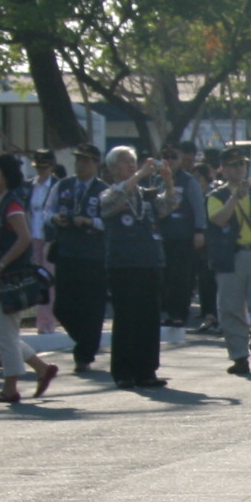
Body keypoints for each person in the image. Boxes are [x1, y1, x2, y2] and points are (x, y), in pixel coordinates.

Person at [0, 153, 56, 405]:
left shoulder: (12, 204)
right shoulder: (0, 203)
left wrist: (2, 263)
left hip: (10, 280)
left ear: (6, 175)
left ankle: (10, 388)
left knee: (2, 334)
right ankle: (41, 368)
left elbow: (24, 238)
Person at [204, 148, 251, 376]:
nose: (239, 169)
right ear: (223, 169)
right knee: (231, 308)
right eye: (234, 164)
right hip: (230, 256)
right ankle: (239, 356)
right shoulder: (216, 196)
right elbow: (218, 219)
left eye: (242, 164)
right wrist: (234, 198)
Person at [99, 147, 167, 389]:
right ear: (113, 168)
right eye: (125, 162)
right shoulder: (109, 193)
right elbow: (112, 204)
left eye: (133, 162)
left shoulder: (145, 195)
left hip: (150, 261)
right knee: (127, 317)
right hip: (123, 263)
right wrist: (139, 174)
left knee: (148, 318)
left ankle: (146, 370)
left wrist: (168, 181)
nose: (131, 166)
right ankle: (123, 371)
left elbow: (168, 206)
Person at [46, 144, 108, 372]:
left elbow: (110, 221)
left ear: (96, 164)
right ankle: (85, 338)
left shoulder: (104, 190)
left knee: (92, 305)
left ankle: (85, 354)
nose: (81, 164)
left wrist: (90, 222)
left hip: (93, 255)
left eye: (87, 160)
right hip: (67, 252)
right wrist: (55, 219)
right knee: (62, 306)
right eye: (79, 159)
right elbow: (47, 211)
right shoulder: (63, 185)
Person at [157, 144, 207, 332]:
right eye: (166, 156)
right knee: (166, 277)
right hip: (164, 236)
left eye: (173, 157)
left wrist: (199, 231)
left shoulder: (188, 181)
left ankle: (179, 314)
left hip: (184, 236)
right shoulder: (157, 180)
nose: (169, 161)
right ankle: (169, 313)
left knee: (182, 277)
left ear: (181, 159)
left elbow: (198, 208)